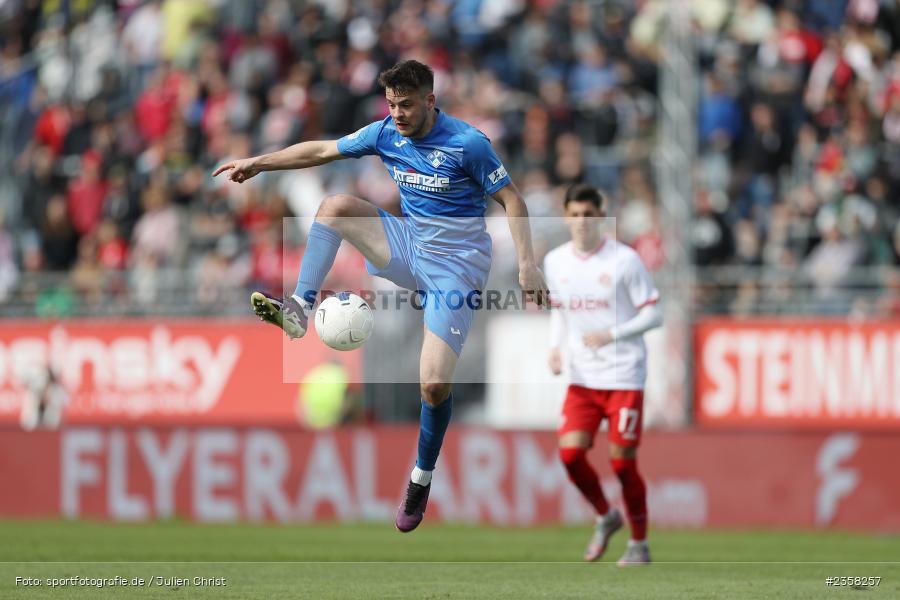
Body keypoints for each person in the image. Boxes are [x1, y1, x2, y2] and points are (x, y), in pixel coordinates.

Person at [213, 60, 549, 533]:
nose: (398, 114)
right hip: (410, 247)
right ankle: (300, 308)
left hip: (457, 270)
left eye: (407, 104)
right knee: (335, 208)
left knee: (432, 385)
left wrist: (529, 263)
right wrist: (259, 162)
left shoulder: (467, 143)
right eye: (392, 104)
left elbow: (513, 199)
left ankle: (421, 476)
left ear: (430, 101)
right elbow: (323, 150)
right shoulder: (385, 132)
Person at [543, 183, 662, 565]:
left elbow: (654, 313)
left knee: (623, 464)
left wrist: (612, 334)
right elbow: (559, 311)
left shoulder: (624, 260)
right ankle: (607, 515)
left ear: (601, 216)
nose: (582, 223)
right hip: (582, 378)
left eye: (589, 216)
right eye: (575, 216)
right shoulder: (555, 261)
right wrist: (555, 347)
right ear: (566, 217)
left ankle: (639, 544)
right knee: (570, 455)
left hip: (624, 376)